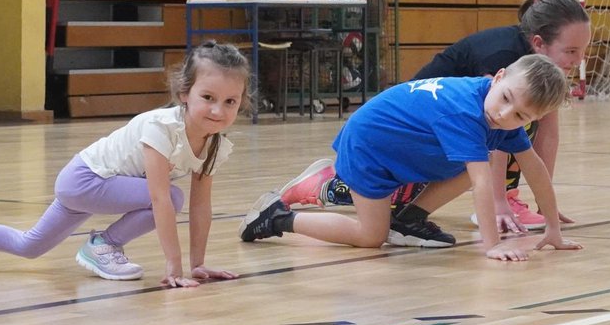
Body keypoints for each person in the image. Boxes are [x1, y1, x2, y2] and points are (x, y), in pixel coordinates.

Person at [0, 42, 246, 287]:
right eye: (208, 98)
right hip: (86, 180)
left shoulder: (216, 143)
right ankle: (103, 246)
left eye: (230, 101)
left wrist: (198, 264)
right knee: (171, 198)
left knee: (29, 246)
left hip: (99, 186)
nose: (218, 110)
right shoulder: (161, 128)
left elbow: (202, 206)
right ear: (185, 93)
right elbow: (158, 199)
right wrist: (175, 267)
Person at [280, 0, 591, 232]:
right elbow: (490, 143)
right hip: (406, 132)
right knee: (380, 206)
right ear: (538, 43)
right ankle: (326, 186)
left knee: (516, 128)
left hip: (444, 133)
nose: (578, 61)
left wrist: (545, 206)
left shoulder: (540, 76)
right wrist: (497, 203)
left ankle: (409, 217)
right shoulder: (504, 59)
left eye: (584, 51)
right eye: (571, 51)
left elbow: (545, 137)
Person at [239, 54, 583, 261]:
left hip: (401, 150)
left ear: (533, 119)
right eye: (505, 98)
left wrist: (552, 227)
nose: (505, 115)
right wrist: (491, 246)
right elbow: (481, 183)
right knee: (371, 237)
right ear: (498, 77)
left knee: (482, 156)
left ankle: (408, 219)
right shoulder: (464, 111)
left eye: (520, 116)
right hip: (370, 148)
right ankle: (277, 217)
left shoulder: (496, 113)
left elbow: (535, 169)